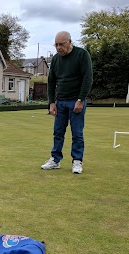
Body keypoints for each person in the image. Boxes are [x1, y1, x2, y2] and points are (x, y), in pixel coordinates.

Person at [41, 31, 93, 174]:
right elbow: (51, 82)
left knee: (77, 133)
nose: (58, 48)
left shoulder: (82, 55)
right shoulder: (57, 59)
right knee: (58, 132)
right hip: (61, 102)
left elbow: (87, 79)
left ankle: (77, 161)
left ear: (70, 42)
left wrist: (80, 100)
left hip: (76, 101)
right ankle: (55, 160)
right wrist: (52, 103)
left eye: (61, 44)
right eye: (56, 45)